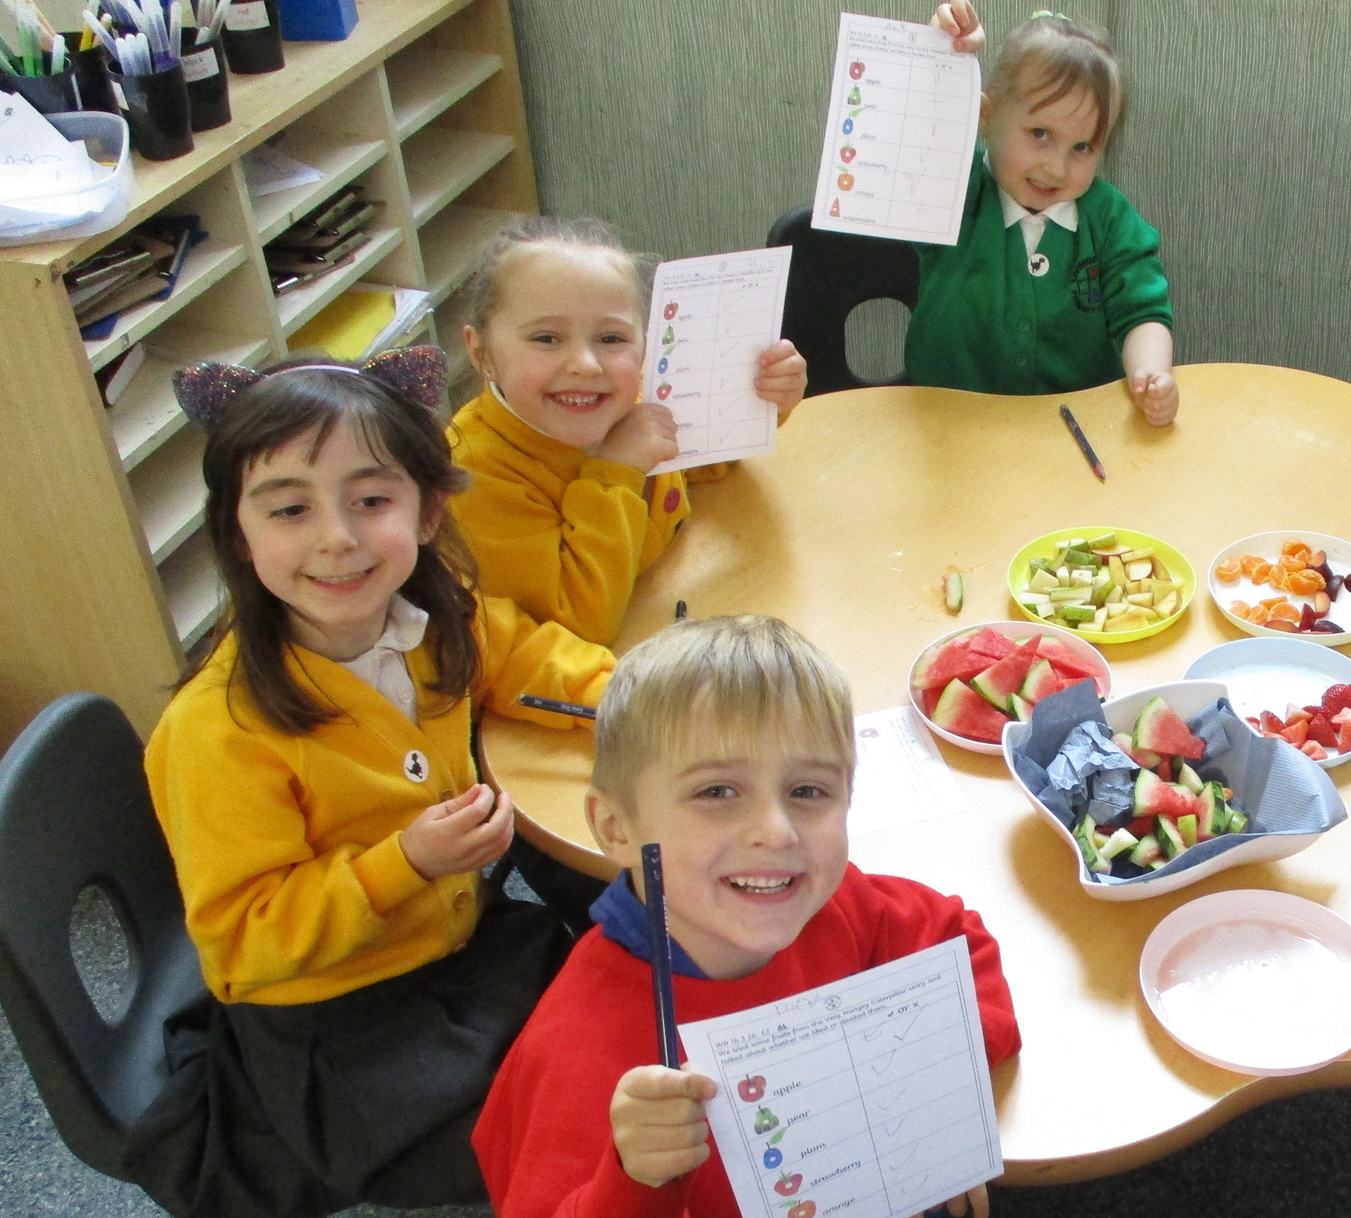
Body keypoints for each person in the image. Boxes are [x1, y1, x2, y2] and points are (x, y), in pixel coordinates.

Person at [126, 348, 618, 1218]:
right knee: (567, 1122)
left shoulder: (432, 618)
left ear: (427, 512)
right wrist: (406, 864)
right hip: (343, 1025)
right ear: (238, 532)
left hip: (454, 950)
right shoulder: (217, 731)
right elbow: (242, 944)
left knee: (619, 1022)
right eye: (289, 509)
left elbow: (523, 652)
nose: (337, 537)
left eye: (371, 499)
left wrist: (626, 694)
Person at [472, 614, 1022, 1218]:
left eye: (808, 791)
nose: (775, 831)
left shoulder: (833, 906)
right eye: (717, 792)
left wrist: (931, 1101)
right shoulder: (573, 1052)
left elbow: (956, 944)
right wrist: (633, 1181)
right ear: (616, 828)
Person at [448, 216, 808, 646]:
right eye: (546, 338)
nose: (585, 364)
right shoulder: (473, 473)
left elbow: (704, 461)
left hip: (671, 610)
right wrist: (616, 470)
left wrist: (764, 396)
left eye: (612, 339)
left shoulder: (627, 398)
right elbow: (576, 624)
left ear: (646, 343)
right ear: (480, 351)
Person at [907, 0, 1178, 425]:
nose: (1057, 167)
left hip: (1074, 434)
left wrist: (1151, 375)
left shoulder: (1108, 218)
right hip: (951, 431)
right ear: (986, 117)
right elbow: (915, 136)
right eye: (1039, 133)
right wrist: (944, 55)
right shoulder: (954, 189)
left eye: (1083, 147)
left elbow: (1142, 314)